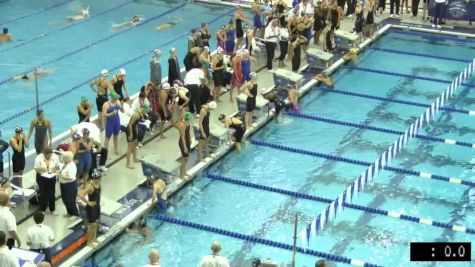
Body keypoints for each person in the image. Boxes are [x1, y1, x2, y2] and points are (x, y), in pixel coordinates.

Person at [78, 169, 102, 247]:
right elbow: (81, 195)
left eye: (99, 179)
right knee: (92, 225)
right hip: (91, 208)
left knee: (97, 223)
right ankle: (89, 242)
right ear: (93, 179)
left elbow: (98, 194)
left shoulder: (100, 183)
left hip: (97, 206)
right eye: (96, 179)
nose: (98, 181)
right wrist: (88, 202)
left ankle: (94, 238)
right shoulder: (90, 186)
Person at [34, 148, 60, 215]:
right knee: (43, 194)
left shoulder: (55, 157)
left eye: (51, 155)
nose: (50, 156)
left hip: (51, 175)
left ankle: (52, 209)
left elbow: (57, 166)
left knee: (52, 193)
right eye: (48, 155)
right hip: (41, 176)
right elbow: (36, 168)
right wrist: (43, 169)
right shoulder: (38, 158)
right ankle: (42, 210)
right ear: (44, 154)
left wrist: (52, 169)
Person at [126, 104, 148, 169]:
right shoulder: (136, 115)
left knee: (135, 145)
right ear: (143, 109)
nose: (146, 112)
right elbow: (130, 124)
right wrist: (131, 134)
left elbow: (136, 124)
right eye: (146, 111)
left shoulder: (140, 113)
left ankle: (135, 159)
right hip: (130, 130)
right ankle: (127, 163)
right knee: (130, 148)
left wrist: (136, 132)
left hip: (134, 129)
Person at [58, 151, 79, 217]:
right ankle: (69, 212)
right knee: (64, 199)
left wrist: (60, 175)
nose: (62, 158)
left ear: (68, 158)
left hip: (70, 186)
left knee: (70, 200)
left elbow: (70, 178)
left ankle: (75, 214)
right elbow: (60, 166)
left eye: (63, 158)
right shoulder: (65, 163)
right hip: (63, 184)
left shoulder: (71, 166)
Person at [176, 112, 192, 179]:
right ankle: (181, 175)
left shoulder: (187, 122)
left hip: (187, 141)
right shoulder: (182, 125)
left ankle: (184, 172)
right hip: (183, 143)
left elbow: (188, 133)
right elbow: (182, 137)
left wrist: (190, 139)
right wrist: (185, 147)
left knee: (186, 158)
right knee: (184, 159)